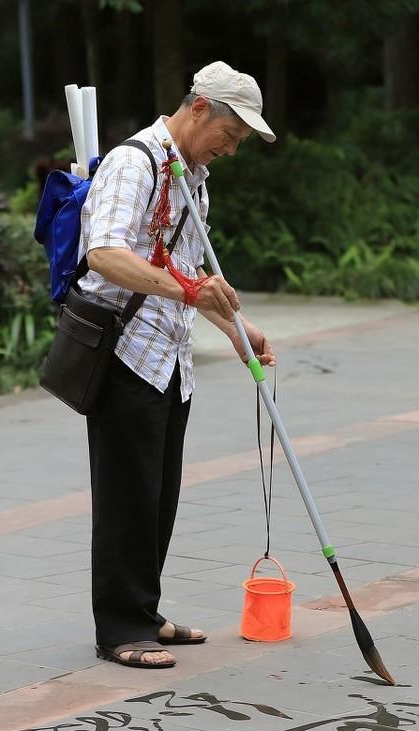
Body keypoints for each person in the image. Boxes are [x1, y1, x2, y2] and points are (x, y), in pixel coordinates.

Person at [78, 61, 277, 669]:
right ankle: (118, 627)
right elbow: (105, 254)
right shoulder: (132, 163)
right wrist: (190, 295)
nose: (232, 150)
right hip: (124, 352)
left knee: (159, 494)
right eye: (231, 135)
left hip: (170, 357)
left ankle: (144, 610)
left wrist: (239, 331)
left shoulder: (193, 176)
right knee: (126, 495)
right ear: (199, 109)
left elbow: (193, 276)